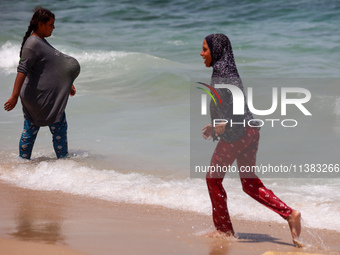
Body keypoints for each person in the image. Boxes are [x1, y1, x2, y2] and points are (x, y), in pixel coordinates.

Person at [200, 33, 303, 247]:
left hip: (237, 134)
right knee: (249, 183)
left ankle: (224, 231)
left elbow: (234, 113)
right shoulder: (229, 70)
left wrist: (221, 126)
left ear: (216, 51)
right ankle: (290, 214)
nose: (201, 53)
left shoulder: (222, 74)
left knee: (213, 179)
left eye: (205, 49)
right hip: (251, 130)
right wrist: (217, 126)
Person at [4, 7, 80, 159]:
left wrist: (67, 83)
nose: (53, 27)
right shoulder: (33, 44)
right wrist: (14, 96)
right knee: (58, 129)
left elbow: (51, 67)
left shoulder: (39, 42)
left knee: (30, 132)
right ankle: (63, 162)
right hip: (40, 99)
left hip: (42, 98)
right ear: (40, 24)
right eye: (51, 24)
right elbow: (22, 71)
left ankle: (23, 163)